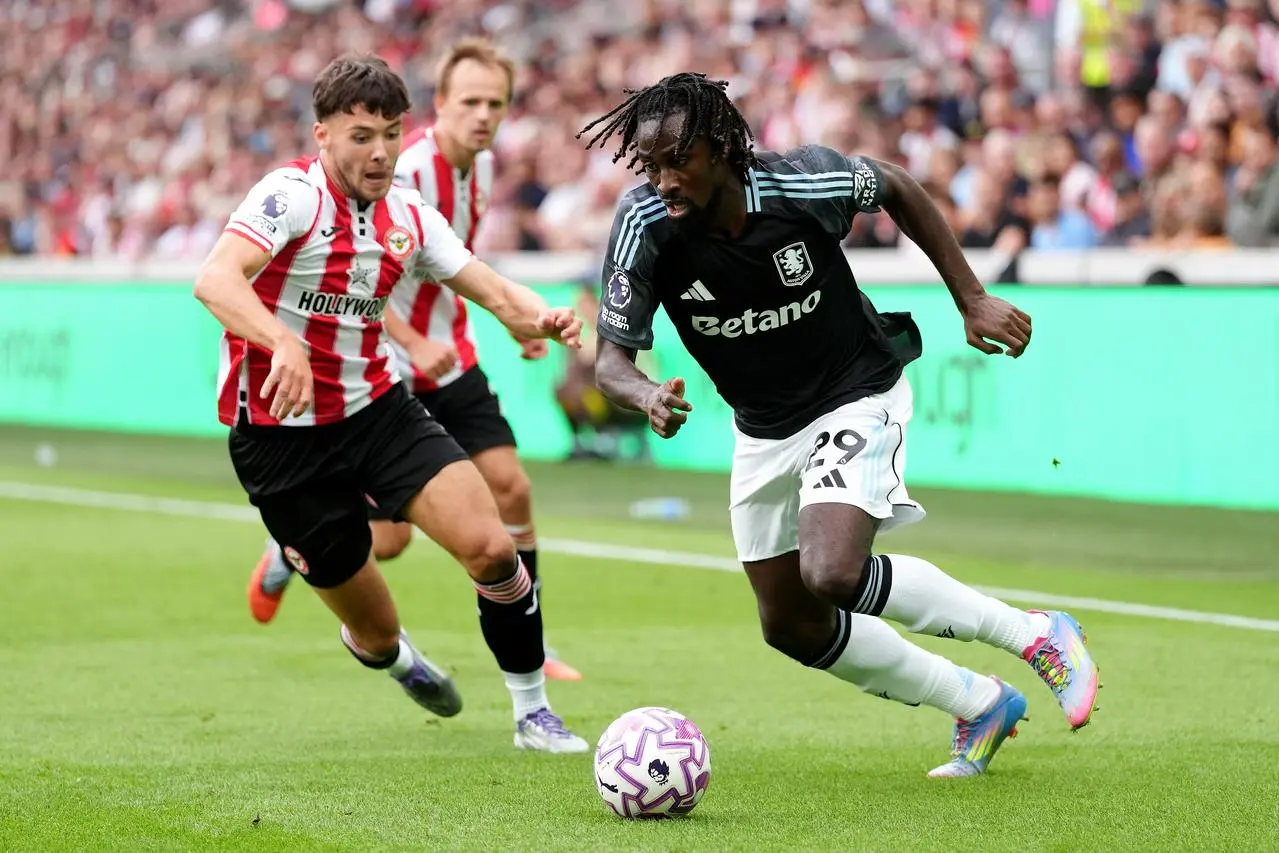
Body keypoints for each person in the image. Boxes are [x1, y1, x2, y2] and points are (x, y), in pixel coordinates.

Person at [577, 73, 1100, 778]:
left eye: (678, 159)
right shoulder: (644, 224)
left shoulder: (800, 185)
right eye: (652, 164)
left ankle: (1036, 634)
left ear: (722, 148)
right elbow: (609, 361)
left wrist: (970, 298)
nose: (663, 178)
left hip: (854, 390)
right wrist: (642, 394)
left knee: (831, 570)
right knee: (789, 624)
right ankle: (977, 702)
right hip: (762, 427)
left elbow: (895, 186)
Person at [199, 54, 588, 753]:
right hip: (281, 441)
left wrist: (540, 317)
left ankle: (532, 712)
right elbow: (216, 281)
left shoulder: (409, 214)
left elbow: (495, 291)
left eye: (390, 133)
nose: (380, 152)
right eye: (360, 136)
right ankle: (400, 660)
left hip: (378, 411)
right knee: (375, 634)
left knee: (493, 548)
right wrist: (281, 343)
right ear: (322, 136)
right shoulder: (289, 196)